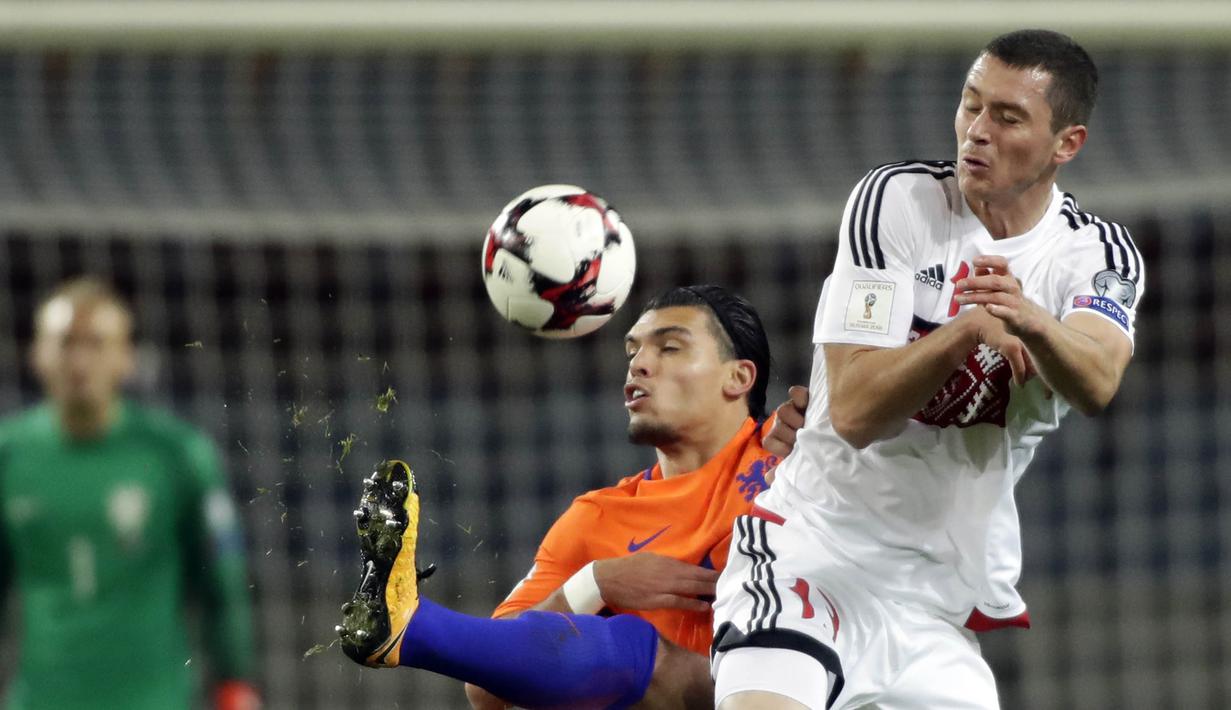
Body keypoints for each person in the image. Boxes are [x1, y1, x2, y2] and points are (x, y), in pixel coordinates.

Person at [711, 29, 1145, 710]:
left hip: (934, 612)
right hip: (810, 561)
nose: (977, 131)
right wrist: (966, 330)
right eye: (970, 104)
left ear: (1067, 143)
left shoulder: (1095, 256)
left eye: (1007, 117)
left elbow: (1096, 381)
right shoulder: (897, 201)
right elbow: (854, 412)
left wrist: (1029, 320)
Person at [337, 285, 783, 709]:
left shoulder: (794, 460)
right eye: (632, 352)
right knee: (628, 651)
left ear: (739, 376)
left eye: (669, 348)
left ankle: (418, 630)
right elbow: (484, 691)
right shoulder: (597, 518)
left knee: (651, 652)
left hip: (793, 689)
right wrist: (594, 584)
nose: (639, 365)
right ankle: (404, 624)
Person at [0, 277, 261, 710]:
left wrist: (234, 681)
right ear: (37, 354)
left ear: (126, 357)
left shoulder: (177, 455)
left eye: (97, 343)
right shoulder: (9, 456)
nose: (79, 361)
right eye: (65, 343)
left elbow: (222, 580)